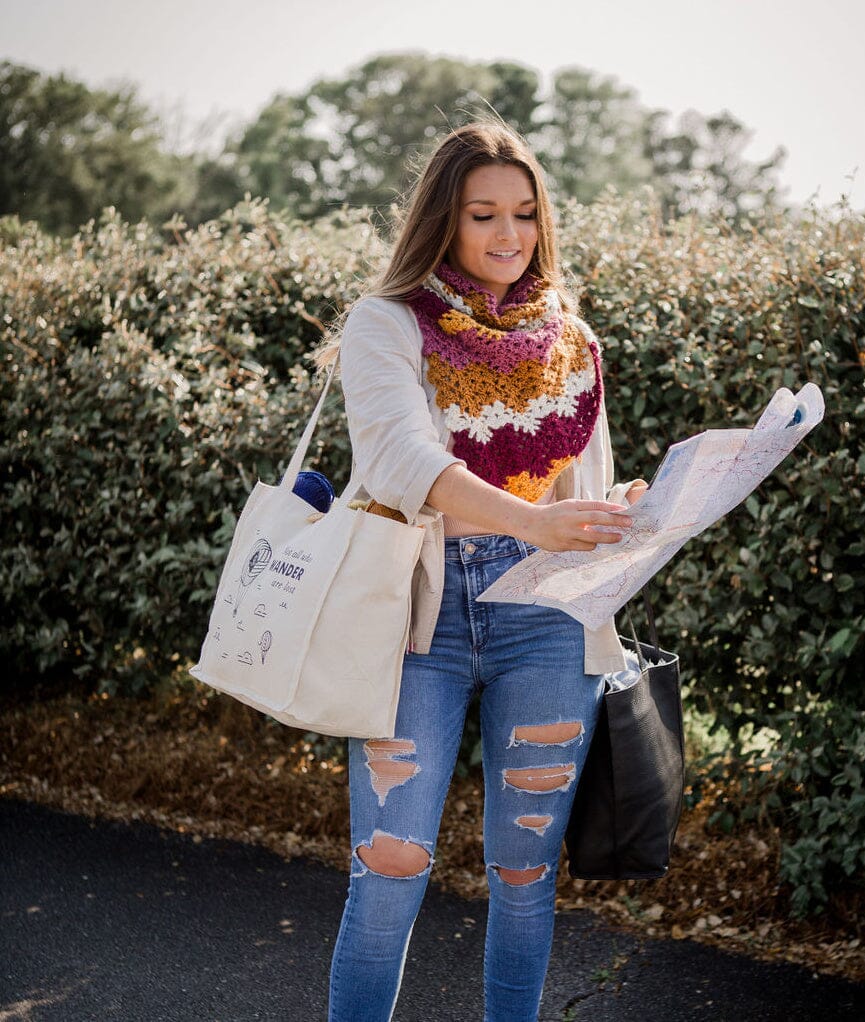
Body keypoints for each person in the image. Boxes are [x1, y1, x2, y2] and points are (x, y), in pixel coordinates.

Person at [316, 120, 647, 1022]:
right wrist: (536, 520)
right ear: (443, 221)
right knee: (391, 866)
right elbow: (401, 465)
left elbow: (587, 491)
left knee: (525, 871)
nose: (509, 236)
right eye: (484, 215)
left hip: (547, 615)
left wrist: (628, 512)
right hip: (416, 615)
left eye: (526, 214)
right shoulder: (385, 325)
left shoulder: (570, 341)